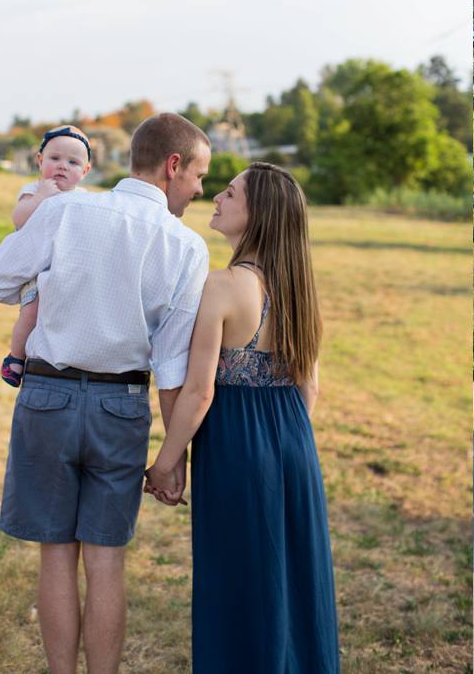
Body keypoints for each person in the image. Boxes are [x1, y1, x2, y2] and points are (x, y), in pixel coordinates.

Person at [0, 113, 212, 674]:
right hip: (120, 407)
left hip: (47, 399)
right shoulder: (186, 246)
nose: (201, 189)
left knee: (56, 556)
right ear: (172, 166)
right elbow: (173, 367)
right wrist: (172, 458)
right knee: (107, 562)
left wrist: (51, 291)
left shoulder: (64, 209)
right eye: (199, 176)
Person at [144, 162, 339, 673]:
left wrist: (166, 463)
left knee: (238, 581)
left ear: (257, 216)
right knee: (292, 580)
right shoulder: (299, 289)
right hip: (294, 440)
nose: (216, 198)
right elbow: (309, 384)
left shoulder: (224, 285)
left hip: (236, 444)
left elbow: (200, 390)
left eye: (230, 194)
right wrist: (284, 439)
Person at [0, 125, 93, 387]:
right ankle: (15, 358)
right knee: (31, 313)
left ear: (85, 171)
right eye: (55, 159)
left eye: (73, 162)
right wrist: (41, 197)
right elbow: (19, 219)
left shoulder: (85, 199)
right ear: (40, 161)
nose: (62, 166)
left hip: (68, 269)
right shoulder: (34, 189)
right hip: (37, 270)